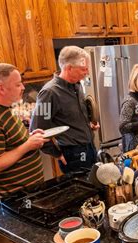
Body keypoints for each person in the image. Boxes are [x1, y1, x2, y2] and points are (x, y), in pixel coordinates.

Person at [0, 63, 49, 200]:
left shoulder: (5, 107)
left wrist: (31, 138)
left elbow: (10, 143)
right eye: (18, 85)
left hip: (28, 195)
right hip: (10, 202)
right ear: (1, 88)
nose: (23, 88)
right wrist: (28, 145)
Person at [30, 46, 99, 174]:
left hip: (89, 146)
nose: (87, 72)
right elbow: (36, 129)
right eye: (84, 69)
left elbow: (73, 116)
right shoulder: (49, 93)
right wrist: (56, 154)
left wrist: (88, 125)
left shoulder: (77, 86)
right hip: (73, 153)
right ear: (69, 68)